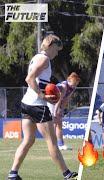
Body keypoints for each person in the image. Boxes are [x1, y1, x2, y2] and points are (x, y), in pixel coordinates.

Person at [8, 35, 77, 180]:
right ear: (51, 46)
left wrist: (44, 93)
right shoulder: (44, 59)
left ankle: (13, 173)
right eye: (57, 50)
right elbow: (29, 79)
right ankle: (67, 174)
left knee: (28, 140)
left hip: (26, 103)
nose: (57, 54)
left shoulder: (36, 57)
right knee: (52, 142)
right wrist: (42, 96)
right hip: (37, 105)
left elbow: (35, 80)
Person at [48, 72, 80, 150]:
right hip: (52, 102)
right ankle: (53, 144)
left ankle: (60, 144)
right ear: (69, 80)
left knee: (59, 124)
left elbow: (66, 99)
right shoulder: (64, 86)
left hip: (58, 102)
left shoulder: (73, 88)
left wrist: (62, 110)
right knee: (55, 123)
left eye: (76, 84)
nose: (74, 86)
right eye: (73, 84)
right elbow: (59, 99)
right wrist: (56, 111)